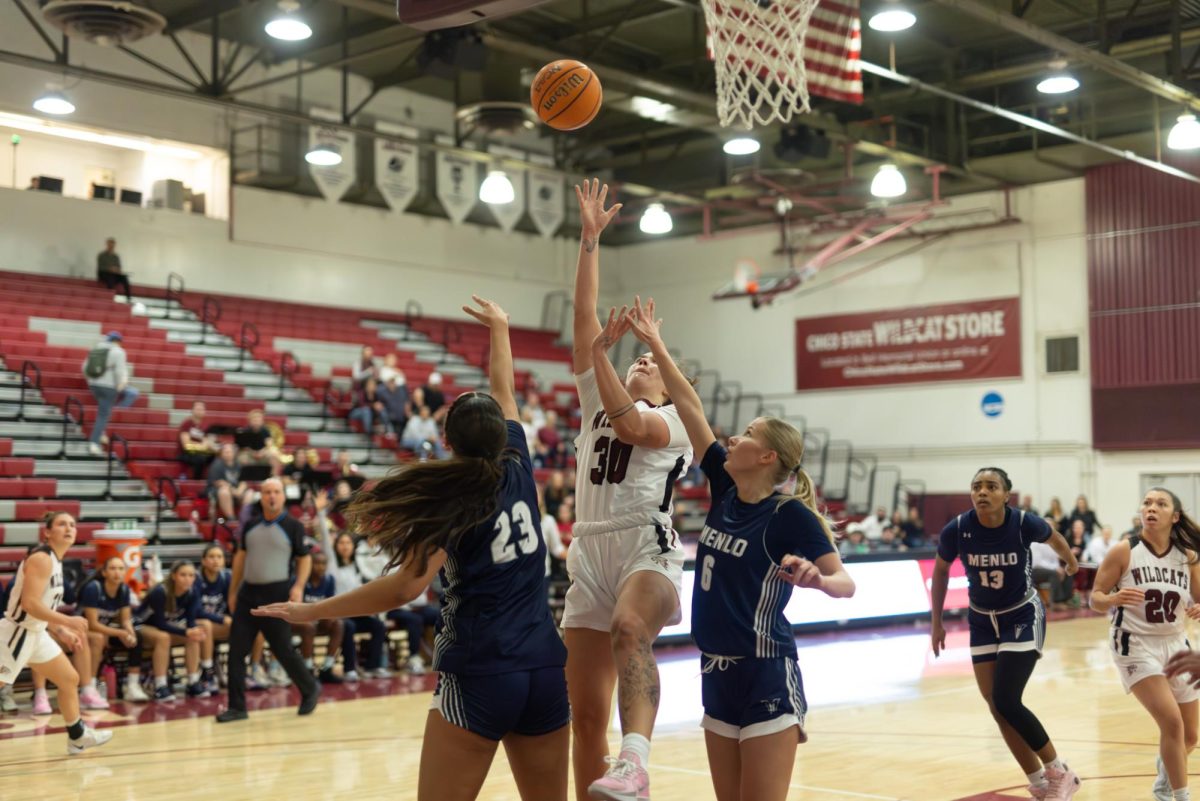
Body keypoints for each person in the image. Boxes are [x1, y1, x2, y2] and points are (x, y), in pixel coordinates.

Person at [253, 296, 568, 801]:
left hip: (481, 668)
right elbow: (504, 391)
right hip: (546, 668)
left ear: (446, 441)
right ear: (504, 436)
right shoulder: (519, 465)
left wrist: (313, 610)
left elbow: (402, 588)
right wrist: (501, 329)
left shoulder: (450, 502)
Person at [623, 296, 855, 801]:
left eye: (746, 435)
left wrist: (816, 579)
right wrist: (657, 345)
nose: (733, 437)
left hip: (766, 669)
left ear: (766, 456)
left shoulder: (787, 514)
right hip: (714, 669)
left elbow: (846, 583)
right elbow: (688, 405)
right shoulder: (726, 490)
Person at [565, 180, 694, 801]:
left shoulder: (672, 425)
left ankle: (636, 763)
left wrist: (603, 358)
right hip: (587, 549)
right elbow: (585, 318)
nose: (637, 364)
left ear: (668, 388)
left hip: (648, 545)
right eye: (633, 362)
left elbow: (629, 424)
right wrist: (590, 240)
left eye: (648, 365)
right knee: (584, 713)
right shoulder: (597, 392)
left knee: (627, 628)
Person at [930, 467, 1081, 800]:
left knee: (1007, 699)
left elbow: (1054, 536)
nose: (982, 492)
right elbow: (941, 570)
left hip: (1022, 614)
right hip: (982, 619)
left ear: (1006, 495)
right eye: (976, 486)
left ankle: (1060, 770)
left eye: (991, 486)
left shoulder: (1024, 522)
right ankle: (1040, 782)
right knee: (996, 707)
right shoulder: (957, 529)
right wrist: (936, 622)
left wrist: (1070, 562)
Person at [1090, 487, 1200, 801]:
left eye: (1161, 504)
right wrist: (1112, 598)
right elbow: (1095, 598)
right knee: (1171, 722)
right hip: (1134, 643)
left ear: (1174, 516)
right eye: (1147, 503)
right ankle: (1178, 797)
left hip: (1176, 643)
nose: (1151, 508)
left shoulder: (1188, 556)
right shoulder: (1123, 551)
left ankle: (1167, 771)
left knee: (1189, 736)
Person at [0, 512, 111, 754]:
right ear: (47, 532)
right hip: (16, 634)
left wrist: (60, 630)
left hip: (36, 633)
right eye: (62, 524)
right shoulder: (42, 559)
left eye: (72, 524)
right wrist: (67, 620)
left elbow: (41, 610)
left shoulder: (56, 562)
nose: (69, 528)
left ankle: (78, 736)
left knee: (69, 679)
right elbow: (29, 604)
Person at [216, 477, 320, 722]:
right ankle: (237, 707)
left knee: (282, 649)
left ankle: (309, 688)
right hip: (248, 595)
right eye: (266, 492)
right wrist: (233, 591)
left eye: (276, 492)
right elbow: (240, 559)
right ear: (260, 497)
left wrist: (298, 587)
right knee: (235, 652)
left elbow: (304, 559)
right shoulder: (250, 526)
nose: (271, 496)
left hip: (277, 594)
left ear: (283, 496)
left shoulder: (293, 526)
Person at [78, 556, 150, 702]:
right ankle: (89, 687)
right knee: (99, 638)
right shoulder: (94, 588)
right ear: (104, 573)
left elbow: (125, 620)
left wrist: (129, 633)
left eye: (120, 568)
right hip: (84, 629)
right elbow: (92, 624)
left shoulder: (124, 589)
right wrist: (120, 632)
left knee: (137, 636)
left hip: (105, 630)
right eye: (112, 568)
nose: (117, 572)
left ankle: (132, 686)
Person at [135, 560, 210, 700]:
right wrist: (186, 631)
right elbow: (160, 623)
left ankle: (193, 681)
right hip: (141, 626)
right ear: (174, 576)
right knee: (163, 637)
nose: (188, 579)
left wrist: (193, 631)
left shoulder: (192, 592)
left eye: (191, 575)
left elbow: (191, 620)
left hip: (163, 627)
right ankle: (160, 686)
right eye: (183, 575)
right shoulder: (160, 591)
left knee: (193, 636)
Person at [82, 331, 139, 456]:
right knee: (103, 415)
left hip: (94, 385)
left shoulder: (96, 348)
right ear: (118, 341)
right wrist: (121, 385)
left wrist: (91, 380)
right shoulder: (119, 352)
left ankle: (100, 433)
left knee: (103, 411)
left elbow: (84, 367)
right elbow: (120, 371)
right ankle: (94, 443)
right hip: (109, 386)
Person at [295, 551, 345, 683]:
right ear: (310, 564)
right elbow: (296, 608)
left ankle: (327, 668)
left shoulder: (329, 580)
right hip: (300, 622)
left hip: (317, 620)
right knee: (308, 626)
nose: (321, 567)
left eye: (324, 564)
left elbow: (330, 606)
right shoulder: (300, 580)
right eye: (317, 563)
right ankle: (308, 669)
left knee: (338, 624)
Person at [195, 544, 233, 691]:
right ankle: (207, 672)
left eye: (219, 557)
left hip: (218, 623)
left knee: (246, 624)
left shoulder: (227, 577)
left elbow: (233, 603)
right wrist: (221, 619)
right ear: (203, 561)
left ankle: (241, 670)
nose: (216, 560)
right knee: (206, 625)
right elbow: (197, 610)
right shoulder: (196, 578)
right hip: (197, 622)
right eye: (211, 557)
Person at [178, 401, 220, 480]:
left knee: (215, 456)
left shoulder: (204, 426)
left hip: (200, 451)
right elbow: (186, 445)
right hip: (186, 453)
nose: (200, 411)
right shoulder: (187, 424)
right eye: (197, 409)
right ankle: (196, 480)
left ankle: (211, 480)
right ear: (192, 410)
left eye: (202, 409)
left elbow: (208, 441)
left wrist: (214, 448)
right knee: (200, 458)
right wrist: (204, 446)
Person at [207, 442, 246, 522]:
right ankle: (231, 518)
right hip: (217, 492)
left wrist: (240, 491)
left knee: (250, 493)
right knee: (224, 491)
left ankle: (244, 517)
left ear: (234, 453)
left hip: (235, 491)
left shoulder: (238, 464)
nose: (227, 454)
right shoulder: (217, 464)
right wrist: (234, 491)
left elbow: (244, 481)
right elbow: (219, 482)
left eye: (229, 452)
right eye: (225, 452)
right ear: (221, 453)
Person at [96, 237, 132, 302]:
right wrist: (109, 269)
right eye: (110, 244)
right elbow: (100, 267)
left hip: (114, 274)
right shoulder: (101, 255)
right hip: (104, 274)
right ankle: (110, 298)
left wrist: (117, 270)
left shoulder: (116, 256)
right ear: (107, 244)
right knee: (110, 278)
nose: (111, 246)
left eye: (112, 245)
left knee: (124, 278)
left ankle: (128, 298)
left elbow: (119, 267)